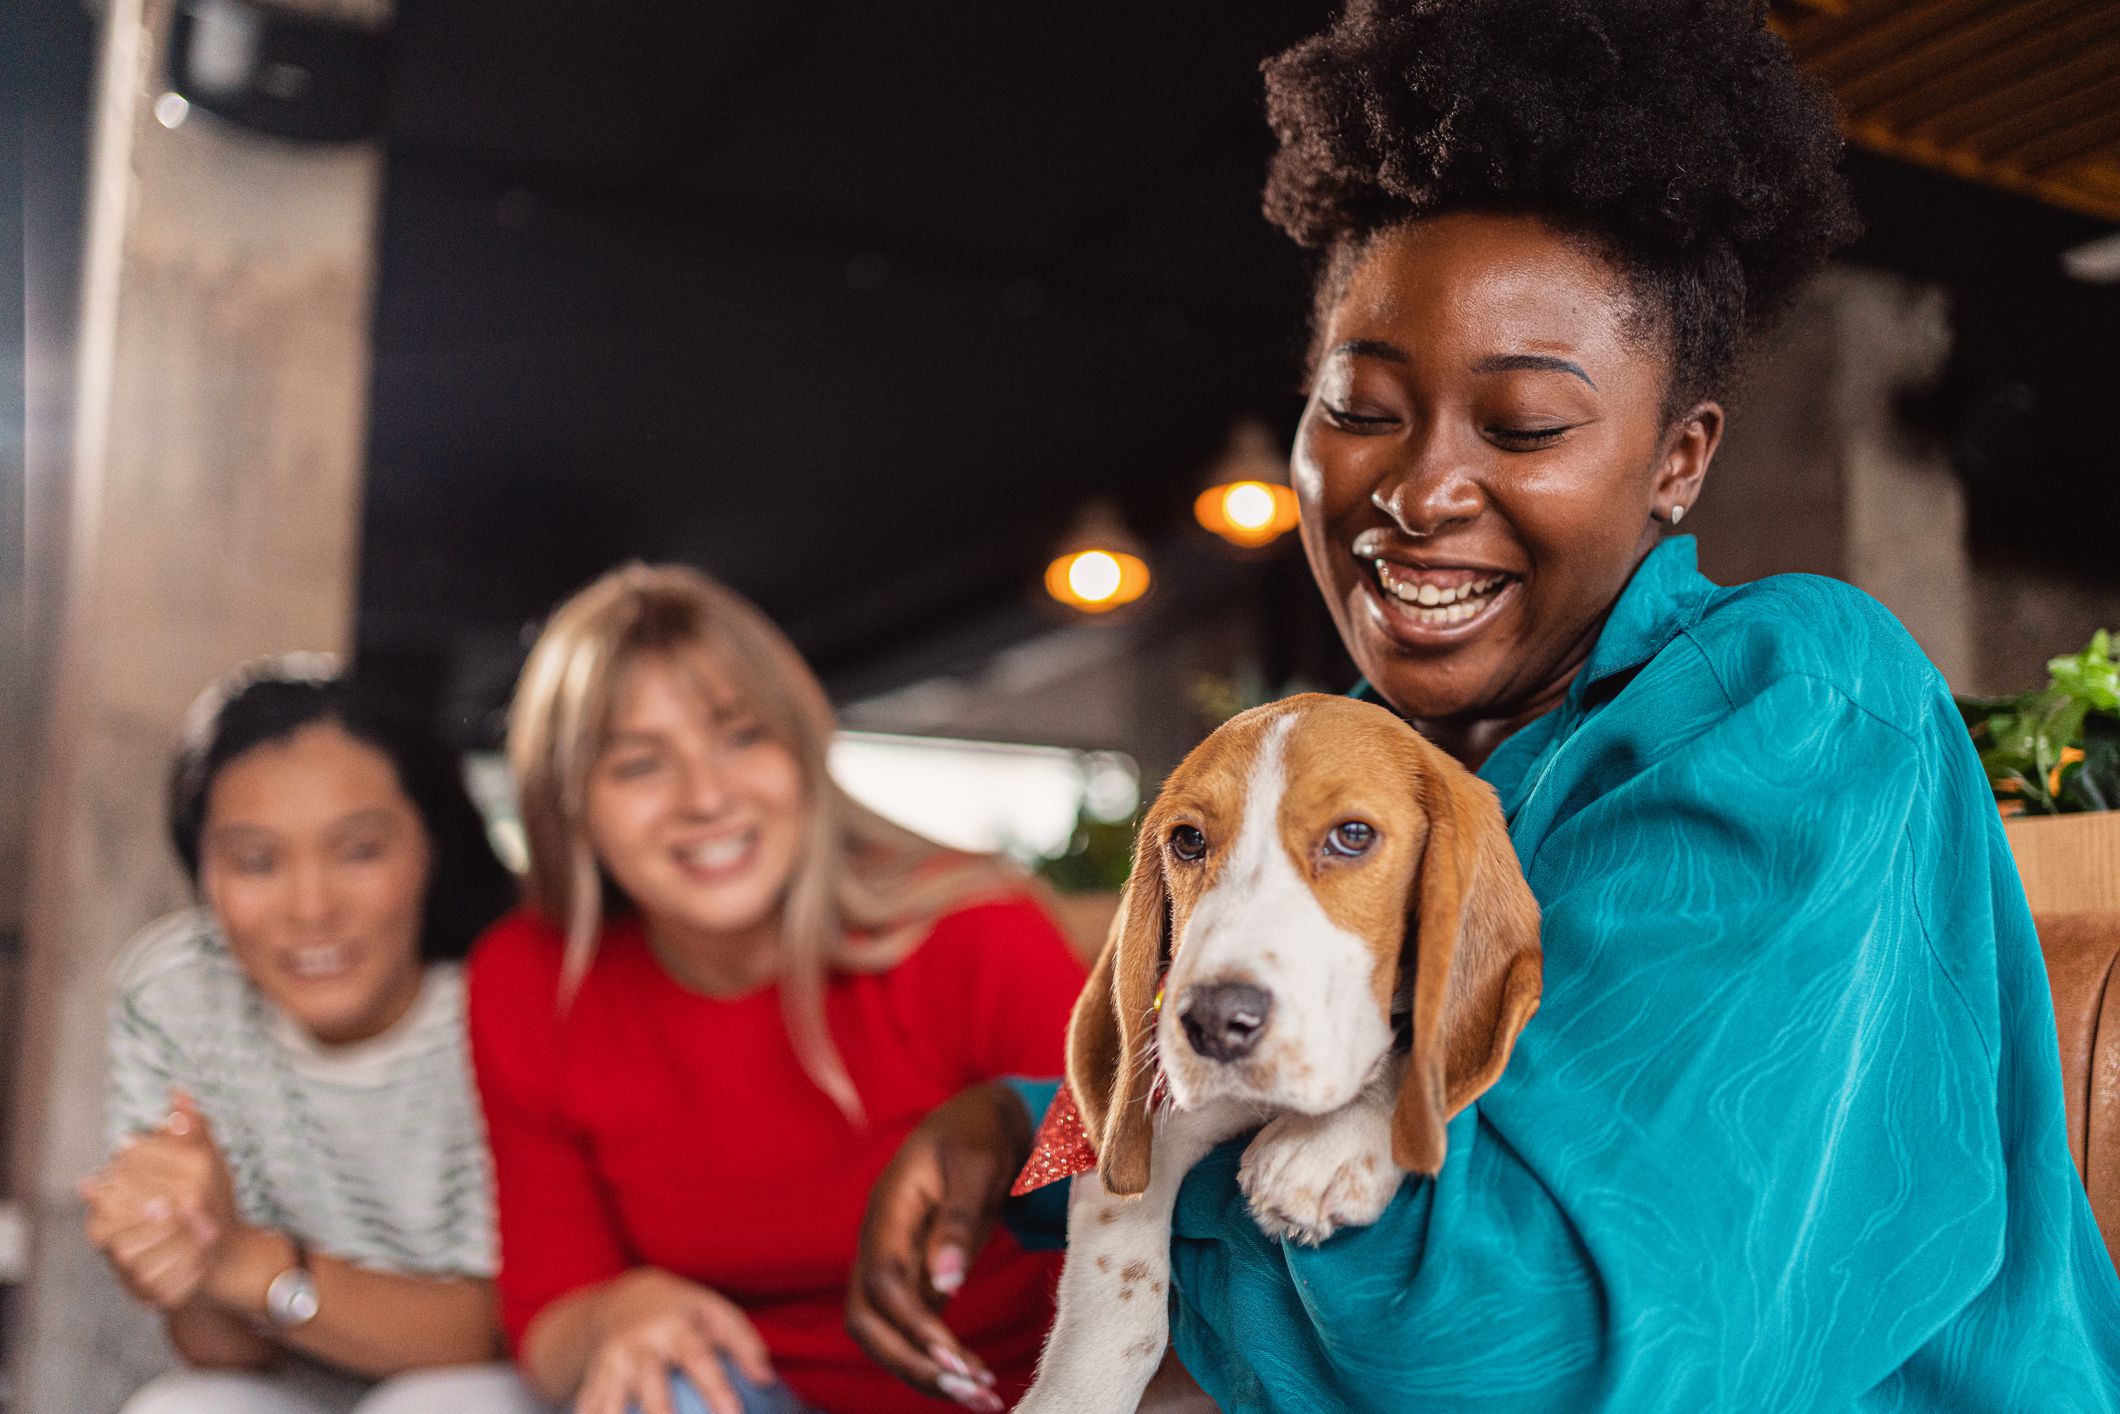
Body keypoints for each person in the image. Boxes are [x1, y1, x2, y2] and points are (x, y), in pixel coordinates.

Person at [847, 2, 2120, 1409]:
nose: (1417, 490)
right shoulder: (1357, 757)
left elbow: (1532, 1348)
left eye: (1522, 426)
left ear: (1677, 459)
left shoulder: (1795, 709)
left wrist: (1139, 1226)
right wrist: (1017, 1144)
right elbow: (1220, 1075)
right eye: (1362, 406)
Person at [468, 563, 1085, 1414]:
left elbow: (1136, 1196)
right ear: (568, 805)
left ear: (801, 749)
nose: (706, 797)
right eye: (641, 764)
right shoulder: (531, 977)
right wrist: (617, 1311)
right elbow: (545, 1315)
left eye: (739, 735)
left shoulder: (975, 933)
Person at [86, 656, 536, 1414]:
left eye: (359, 851)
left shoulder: (508, 993)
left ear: (433, 843)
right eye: (256, 862)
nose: (310, 908)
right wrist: (174, 1250)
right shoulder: (175, 997)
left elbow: (506, 1327)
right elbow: (220, 1350)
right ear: (202, 869)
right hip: (293, 1383)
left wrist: (241, 1256)